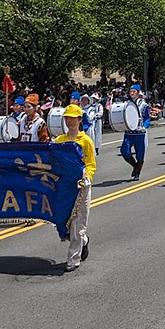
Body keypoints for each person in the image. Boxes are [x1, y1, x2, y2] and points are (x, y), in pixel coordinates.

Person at [53, 104, 95, 272]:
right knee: (65, 223)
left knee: (78, 224)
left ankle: (73, 259)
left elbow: (91, 164)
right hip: (64, 186)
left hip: (80, 186)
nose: (69, 121)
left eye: (72, 118)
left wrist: (86, 178)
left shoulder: (86, 141)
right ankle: (83, 241)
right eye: (67, 118)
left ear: (79, 120)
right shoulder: (59, 141)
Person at [120, 84, 151, 181]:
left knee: (140, 154)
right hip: (129, 132)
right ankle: (135, 166)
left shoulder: (144, 105)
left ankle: (137, 172)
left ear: (138, 93)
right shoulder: (126, 104)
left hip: (139, 133)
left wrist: (144, 126)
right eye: (131, 91)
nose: (132, 93)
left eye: (134, 91)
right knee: (124, 151)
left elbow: (147, 118)